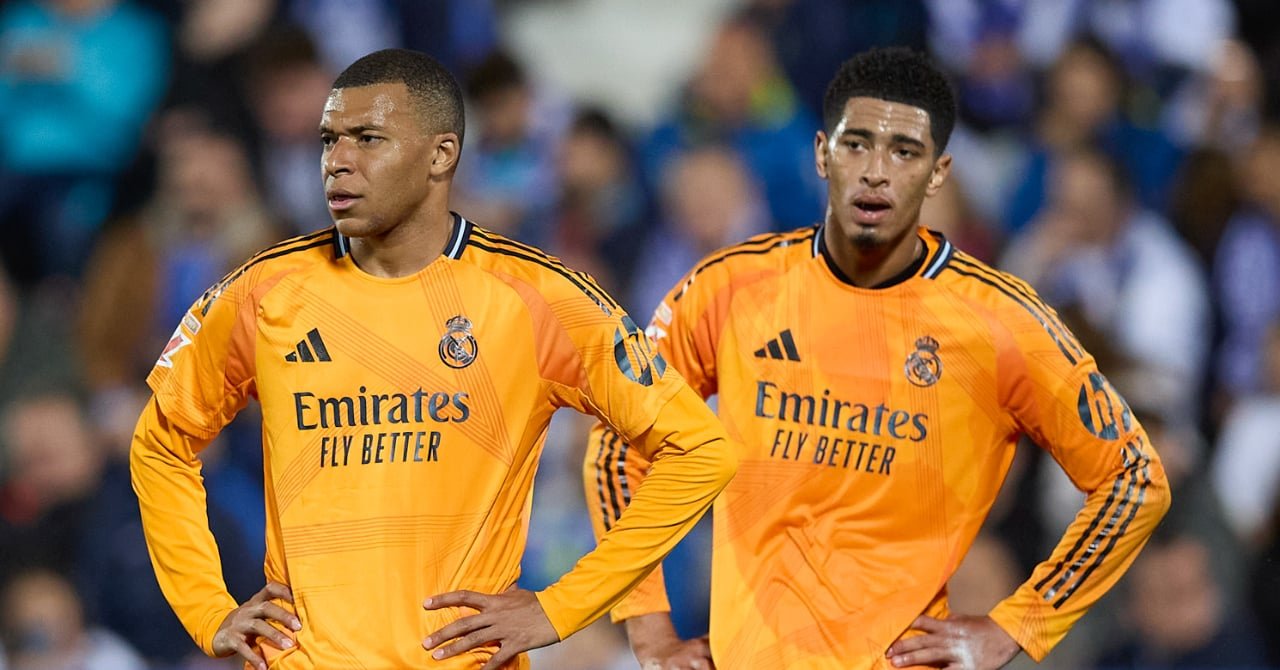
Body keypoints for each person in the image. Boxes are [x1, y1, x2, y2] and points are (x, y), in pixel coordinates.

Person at [130, 48, 738, 670]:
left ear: (441, 154)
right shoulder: (262, 293)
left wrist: (561, 607)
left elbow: (699, 449)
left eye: (368, 138)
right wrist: (207, 609)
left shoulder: (536, 298)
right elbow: (159, 445)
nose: (337, 161)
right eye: (329, 140)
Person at [584, 47, 1170, 669]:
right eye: (856, 145)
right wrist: (649, 632)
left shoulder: (998, 322)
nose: (875, 173)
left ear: (938, 174)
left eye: (904, 152)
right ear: (821, 154)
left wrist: (1018, 625)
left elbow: (1133, 476)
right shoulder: (729, 289)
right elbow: (618, 441)